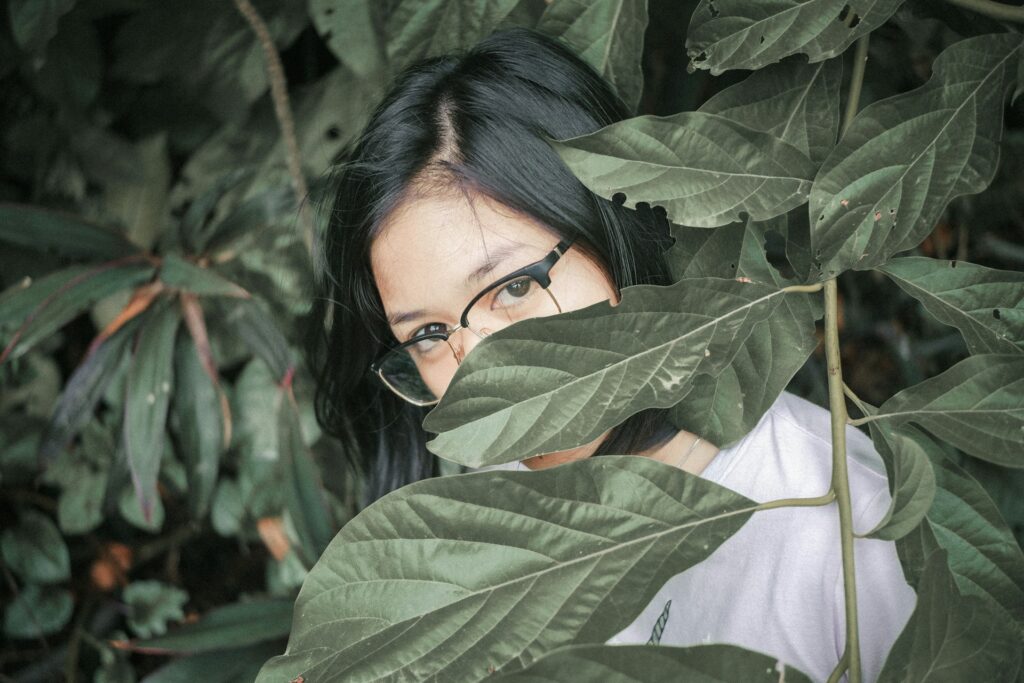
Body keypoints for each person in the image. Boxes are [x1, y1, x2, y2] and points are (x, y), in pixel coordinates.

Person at [306, 27, 915, 682]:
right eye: (426, 334)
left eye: (513, 287)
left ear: (616, 225)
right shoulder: (478, 518)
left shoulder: (855, 534)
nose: (477, 372)